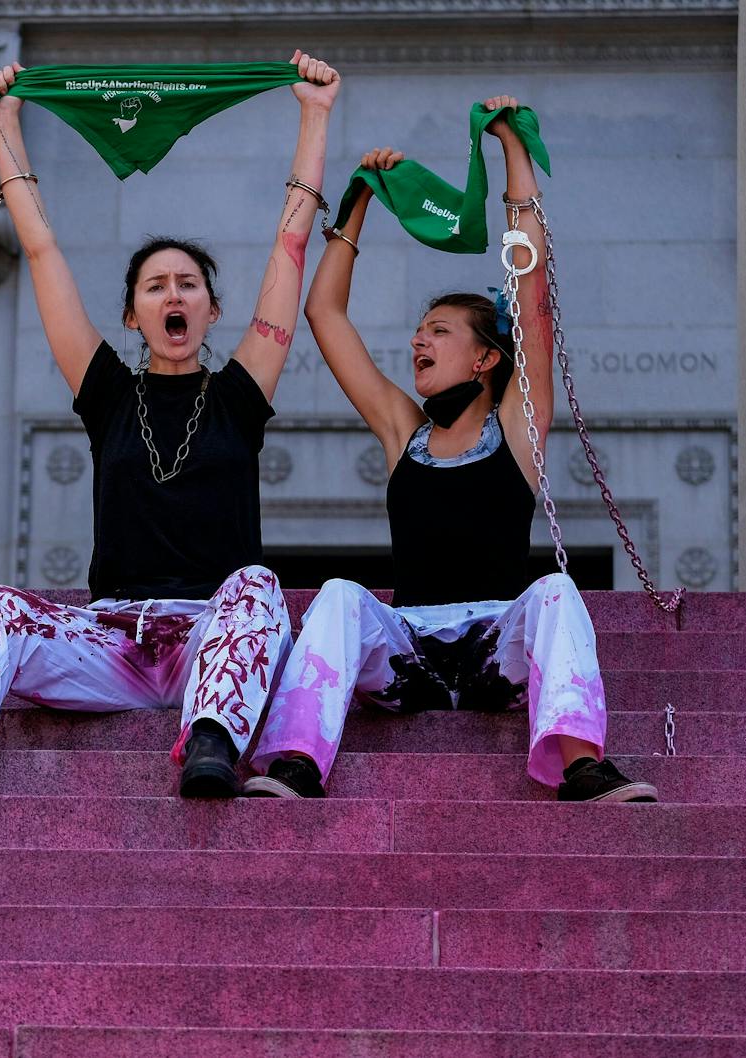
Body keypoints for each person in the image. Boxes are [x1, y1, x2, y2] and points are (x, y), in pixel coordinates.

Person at [0, 53, 342, 797]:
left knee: (260, 587)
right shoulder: (106, 389)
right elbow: (40, 251)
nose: (174, 295)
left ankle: (211, 743)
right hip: (109, 641)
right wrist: (5, 123)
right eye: (156, 285)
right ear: (134, 313)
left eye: (189, 284)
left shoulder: (239, 393)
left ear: (211, 310)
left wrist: (314, 114)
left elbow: (289, 250)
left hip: (213, 636)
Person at [245, 98, 657, 803]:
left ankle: (581, 764)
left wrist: (511, 148)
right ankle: (295, 765)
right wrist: (356, 207)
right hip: (407, 654)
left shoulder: (520, 421)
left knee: (557, 590)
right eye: (419, 330)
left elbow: (531, 290)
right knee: (341, 595)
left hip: (497, 650)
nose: (418, 342)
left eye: (438, 331)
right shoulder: (403, 428)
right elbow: (324, 315)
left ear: (486, 359)